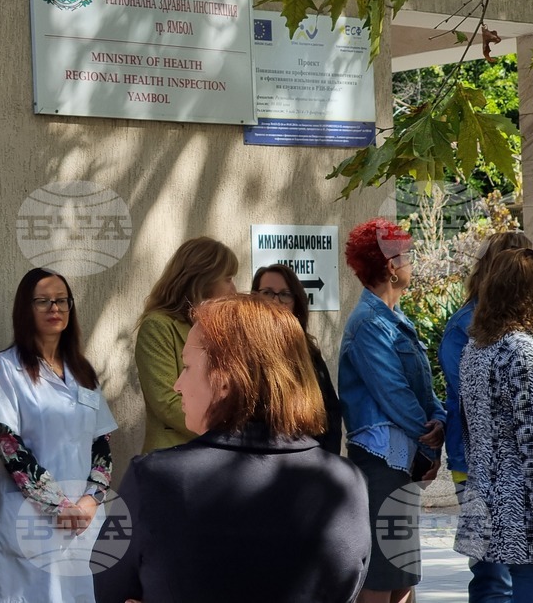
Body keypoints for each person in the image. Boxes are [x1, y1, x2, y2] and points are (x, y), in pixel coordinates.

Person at [95, 294, 370, 602]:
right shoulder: (347, 481)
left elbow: (108, 589)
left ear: (224, 380)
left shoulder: (153, 478)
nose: (177, 384)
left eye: (187, 367)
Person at [438, 231, 533, 602]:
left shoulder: (478, 349)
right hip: (531, 520)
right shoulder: (525, 355)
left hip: (495, 505)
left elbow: (472, 433)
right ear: (532, 295)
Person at [0, 268, 117, 603]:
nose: (54, 308)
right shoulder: (5, 369)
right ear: (25, 309)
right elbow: (9, 446)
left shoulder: (83, 371)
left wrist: (91, 499)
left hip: (84, 518)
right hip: (33, 518)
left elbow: (101, 443)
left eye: (61, 300)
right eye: (42, 301)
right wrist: (58, 505)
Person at [339, 218, 445, 603]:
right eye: (408, 255)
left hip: (403, 460)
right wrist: (429, 439)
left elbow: (424, 390)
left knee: (402, 577)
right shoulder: (368, 323)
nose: (412, 262)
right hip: (381, 461)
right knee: (382, 578)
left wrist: (438, 424)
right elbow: (395, 393)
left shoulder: (397, 320)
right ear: (390, 266)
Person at [135, 236, 238, 453]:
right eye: (228, 279)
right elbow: (166, 401)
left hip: (220, 454)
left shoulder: (223, 329)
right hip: (173, 454)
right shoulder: (158, 326)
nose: (234, 290)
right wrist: (226, 433)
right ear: (203, 281)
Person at [253, 263, 342, 454]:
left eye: (285, 294)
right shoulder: (244, 351)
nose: (275, 301)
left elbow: (330, 412)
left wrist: (326, 460)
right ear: (254, 298)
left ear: (296, 302)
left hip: (308, 459)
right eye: (267, 293)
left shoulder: (308, 352)